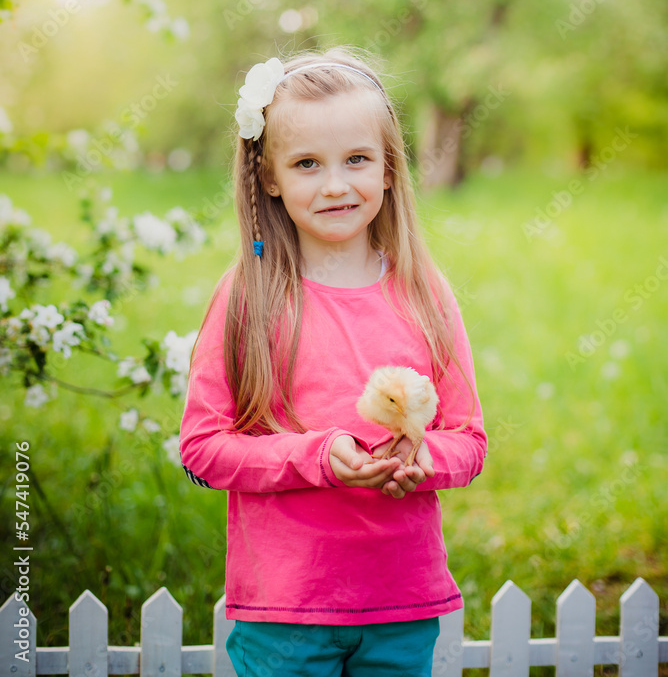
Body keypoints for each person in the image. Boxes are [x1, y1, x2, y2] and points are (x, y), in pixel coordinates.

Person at [179, 46, 487, 677]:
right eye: (307, 164)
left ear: (389, 168)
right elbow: (204, 448)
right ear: (269, 176)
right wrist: (316, 457)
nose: (336, 184)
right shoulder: (249, 296)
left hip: (400, 605)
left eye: (356, 159)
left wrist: (424, 458)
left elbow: (470, 439)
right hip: (287, 612)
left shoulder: (424, 293)